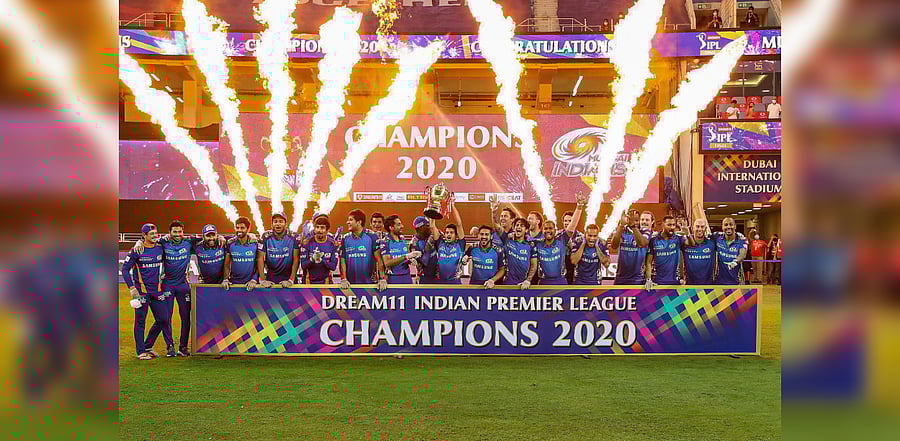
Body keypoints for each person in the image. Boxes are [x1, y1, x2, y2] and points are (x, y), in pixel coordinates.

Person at [145, 220, 193, 357]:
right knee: (166, 317)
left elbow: (208, 239)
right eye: (175, 232)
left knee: (186, 317)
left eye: (180, 231)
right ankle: (170, 346)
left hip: (183, 285)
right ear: (169, 233)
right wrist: (137, 242)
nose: (178, 234)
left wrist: (220, 237)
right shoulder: (163, 242)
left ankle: (183, 347)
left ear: (183, 232)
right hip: (168, 284)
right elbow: (147, 241)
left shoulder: (189, 242)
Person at [120, 223, 168, 360]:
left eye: (155, 233)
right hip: (142, 292)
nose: (154, 235)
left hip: (157, 291)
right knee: (140, 321)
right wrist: (132, 288)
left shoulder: (160, 248)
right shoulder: (137, 250)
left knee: (163, 319)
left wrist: (164, 273)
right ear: (144, 235)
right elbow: (124, 269)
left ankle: (148, 345)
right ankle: (141, 352)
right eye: (151, 233)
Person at [535, 196, 585, 285]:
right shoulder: (537, 243)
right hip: (543, 282)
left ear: (555, 230)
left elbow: (572, 226)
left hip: (560, 281)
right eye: (545, 229)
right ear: (542, 231)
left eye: (550, 228)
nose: (548, 231)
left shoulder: (561, 240)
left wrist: (579, 207)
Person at [339, 209, 387, 291]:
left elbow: (379, 259)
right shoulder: (345, 238)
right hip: (350, 285)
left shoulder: (372, 236)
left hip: (370, 284)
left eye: (351, 220)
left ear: (359, 222)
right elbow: (342, 260)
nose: (348, 222)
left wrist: (382, 279)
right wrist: (343, 279)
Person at [257, 212, 301, 288]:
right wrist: (262, 280)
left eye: (281, 221)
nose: (278, 224)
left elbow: (296, 258)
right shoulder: (265, 236)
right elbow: (260, 258)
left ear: (286, 224)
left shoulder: (294, 236)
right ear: (272, 225)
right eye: (275, 222)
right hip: (271, 278)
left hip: (289, 277)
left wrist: (291, 280)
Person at [645, 216, 689, 289]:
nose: (671, 227)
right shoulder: (654, 240)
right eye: (669, 225)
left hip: (675, 283)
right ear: (663, 225)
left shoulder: (678, 238)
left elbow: (690, 243)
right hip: (658, 282)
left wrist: (688, 234)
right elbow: (648, 262)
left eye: (673, 225)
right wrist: (648, 279)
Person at [611, 209, 651, 285]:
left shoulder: (645, 232)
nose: (634, 222)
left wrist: (633, 226)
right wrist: (621, 225)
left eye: (636, 220)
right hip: (620, 277)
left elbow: (642, 244)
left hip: (637, 278)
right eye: (630, 220)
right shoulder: (621, 230)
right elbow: (614, 246)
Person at [378, 214, 421, 284]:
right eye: (398, 224)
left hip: (407, 277)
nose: (402, 226)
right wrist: (406, 257)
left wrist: (411, 260)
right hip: (393, 278)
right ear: (391, 227)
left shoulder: (403, 239)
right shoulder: (385, 242)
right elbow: (387, 263)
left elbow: (407, 257)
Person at [300, 215, 340, 284]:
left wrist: (321, 260)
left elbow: (333, 266)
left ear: (327, 230)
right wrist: (312, 259)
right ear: (314, 229)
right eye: (317, 227)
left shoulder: (332, 244)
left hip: (326, 284)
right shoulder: (307, 242)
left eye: (322, 228)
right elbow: (303, 266)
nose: (319, 230)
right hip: (308, 283)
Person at [223, 217, 259, 290]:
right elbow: (227, 265)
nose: (239, 230)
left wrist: (254, 279)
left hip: (251, 285)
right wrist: (226, 279)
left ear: (248, 229)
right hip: (233, 284)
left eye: (242, 228)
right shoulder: (230, 243)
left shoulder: (255, 243)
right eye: (237, 227)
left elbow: (260, 263)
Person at [501, 217, 538, 288]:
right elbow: (497, 228)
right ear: (514, 228)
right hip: (508, 282)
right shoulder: (507, 240)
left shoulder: (531, 245)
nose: (519, 227)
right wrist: (494, 211)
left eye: (522, 225)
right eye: (517, 225)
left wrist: (528, 280)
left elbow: (534, 265)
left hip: (523, 284)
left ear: (526, 230)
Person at [713, 217, 748, 284]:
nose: (728, 227)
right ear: (722, 227)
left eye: (731, 224)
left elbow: (742, 254)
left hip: (736, 282)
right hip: (718, 282)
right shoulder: (717, 237)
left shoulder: (742, 239)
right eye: (726, 225)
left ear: (735, 226)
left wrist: (735, 262)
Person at [682, 218, 717, 284]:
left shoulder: (712, 243)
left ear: (706, 229)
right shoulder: (685, 242)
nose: (700, 229)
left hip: (708, 286)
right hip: (689, 287)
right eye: (697, 226)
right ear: (693, 228)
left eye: (702, 227)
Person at [410, 216, 439, 284]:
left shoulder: (432, 234)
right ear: (420, 228)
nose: (429, 227)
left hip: (438, 275)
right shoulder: (414, 244)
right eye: (427, 226)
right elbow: (423, 263)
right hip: (424, 277)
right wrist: (428, 247)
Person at [563, 210, 585, 285]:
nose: (567, 223)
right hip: (561, 273)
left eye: (570, 221)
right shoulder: (558, 235)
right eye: (565, 221)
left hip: (577, 274)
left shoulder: (582, 237)